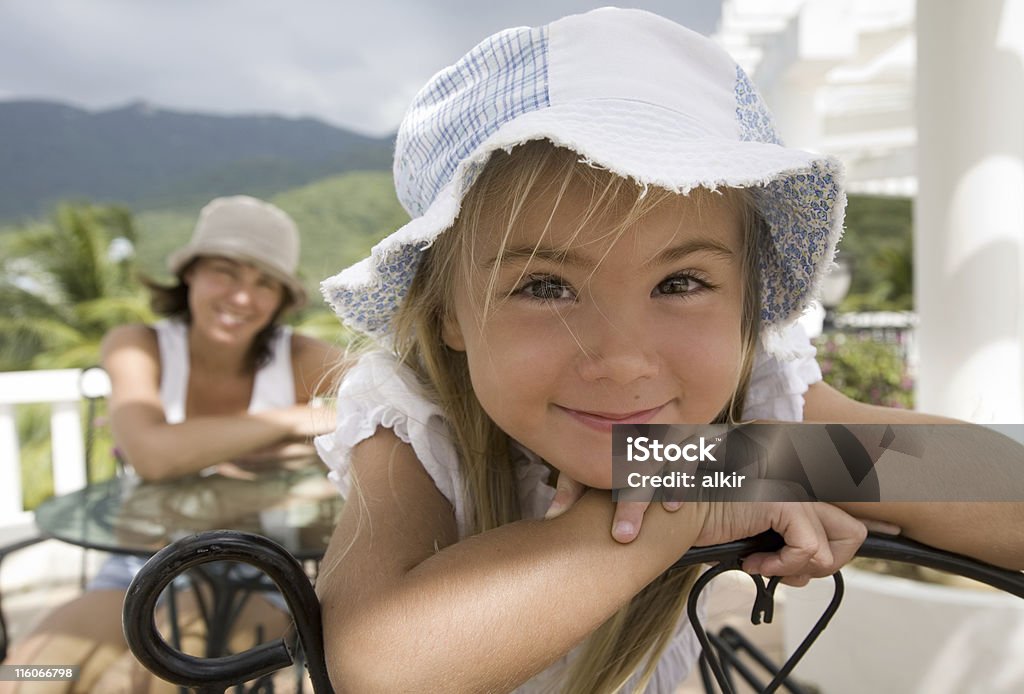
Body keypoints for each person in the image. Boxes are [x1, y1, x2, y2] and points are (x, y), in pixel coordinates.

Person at [312, 8, 1023, 693]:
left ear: (747, 303)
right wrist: (691, 501)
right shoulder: (418, 421)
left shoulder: (764, 402)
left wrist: (736, 462)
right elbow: (384, 668)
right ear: (448, 316)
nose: (622, 360)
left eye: (680, 282)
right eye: (544, 286)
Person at [1, 195, 340, 693]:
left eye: (265, 282)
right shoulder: (139, 343)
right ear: (191, 275)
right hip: (135, 566)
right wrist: (291, 419)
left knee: (145, 678)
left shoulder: (299, 355)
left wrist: (213, 444)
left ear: (281, 299)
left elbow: (397, 397)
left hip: (258, 574)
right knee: (28, 673)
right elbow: (153, 455)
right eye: (226, 272)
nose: (243, 297)